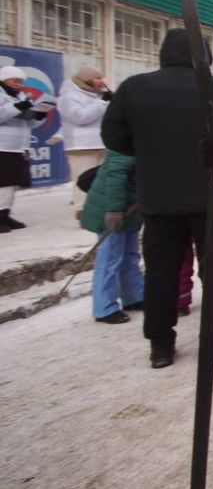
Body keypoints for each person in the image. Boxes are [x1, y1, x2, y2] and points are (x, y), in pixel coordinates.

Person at [102, 29, 213, 368]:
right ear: (206, 55)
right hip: (208, 195)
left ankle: (160, 344)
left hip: (157, 196)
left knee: (160, 271)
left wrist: (148, 152)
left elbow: (112, 136)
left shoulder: (133, 87)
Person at [80, 150, 144, 326]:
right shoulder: (125, 144)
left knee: (130, 254)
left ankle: (134, 296)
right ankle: (104, 307)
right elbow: (115, 176)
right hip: (112, 208)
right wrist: (114, 210)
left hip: (131, 208)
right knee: (110, 258)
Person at [1, 65, 54, 233]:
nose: (18, 84)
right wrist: (17, 107)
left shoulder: (21, 96)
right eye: (14, 80)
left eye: (20, 81)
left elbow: (28, 122)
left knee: (12, 183)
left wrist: (38, 115)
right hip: (3, 145)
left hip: (18, 146)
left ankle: (5, 213)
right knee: (4, 182)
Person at [57, 64, 112, 211]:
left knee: (101, 178)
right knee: (83, 178)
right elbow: (80, 117)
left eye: (102, 77)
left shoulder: (99, 95)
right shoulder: (69, 96)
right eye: (97, 78)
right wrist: (102, 102)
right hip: (80, 145)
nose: (102, 81)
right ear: (86, 79)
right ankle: (82, 209)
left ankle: (99, 207)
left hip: (101, 143)